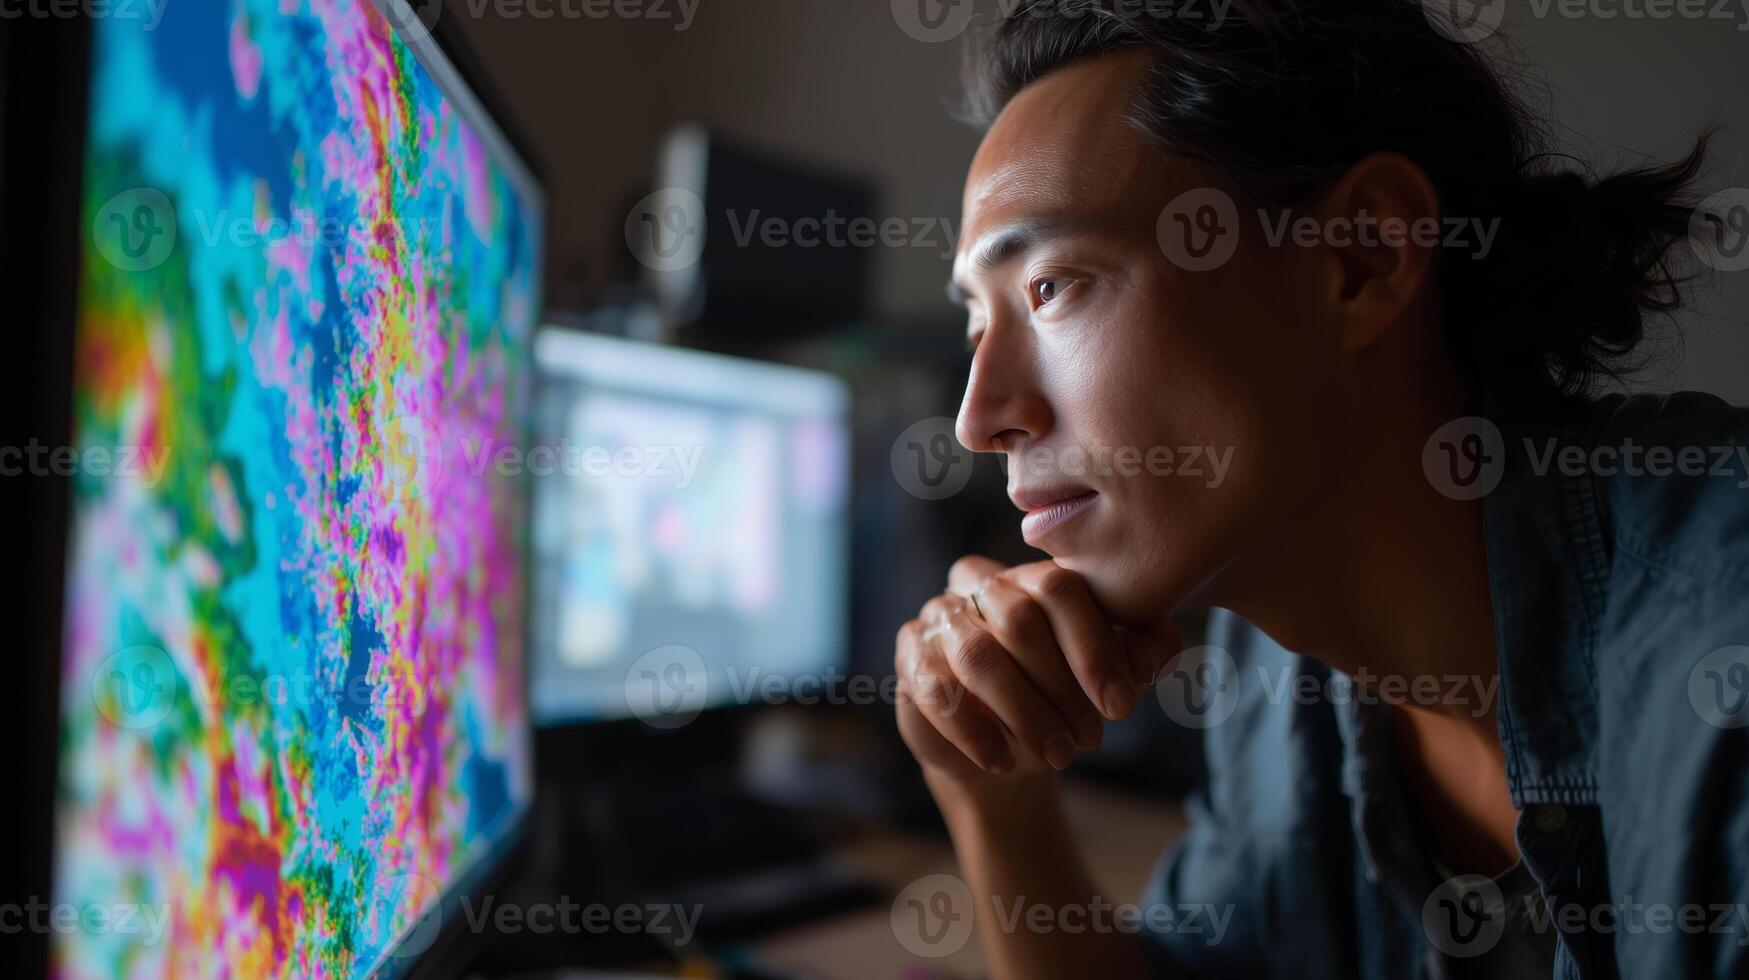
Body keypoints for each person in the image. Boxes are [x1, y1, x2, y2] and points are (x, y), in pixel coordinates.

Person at [890, 2, 1749, 978]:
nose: (978, 416)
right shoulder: (1276, 677)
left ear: (1361, 259)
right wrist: (986, 792)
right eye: (976, 326)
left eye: (1049, 287)